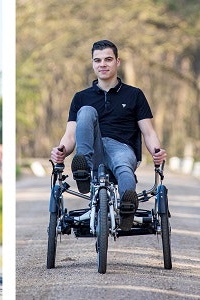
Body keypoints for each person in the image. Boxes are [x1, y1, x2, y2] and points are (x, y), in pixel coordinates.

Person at [50, 40, 167, 231]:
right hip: (92, 150)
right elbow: (70, 135)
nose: (102, 64)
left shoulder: (134, 95)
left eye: (108, 59)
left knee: (124, 170)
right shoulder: (81, 97)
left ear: (117, 62)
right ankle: (84, 172)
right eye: (97, 60)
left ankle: (127, 209)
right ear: (92, 63)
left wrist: (156, 151)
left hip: (123, 147)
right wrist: (60, 150)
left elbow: (148, 131)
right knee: (86, 111)